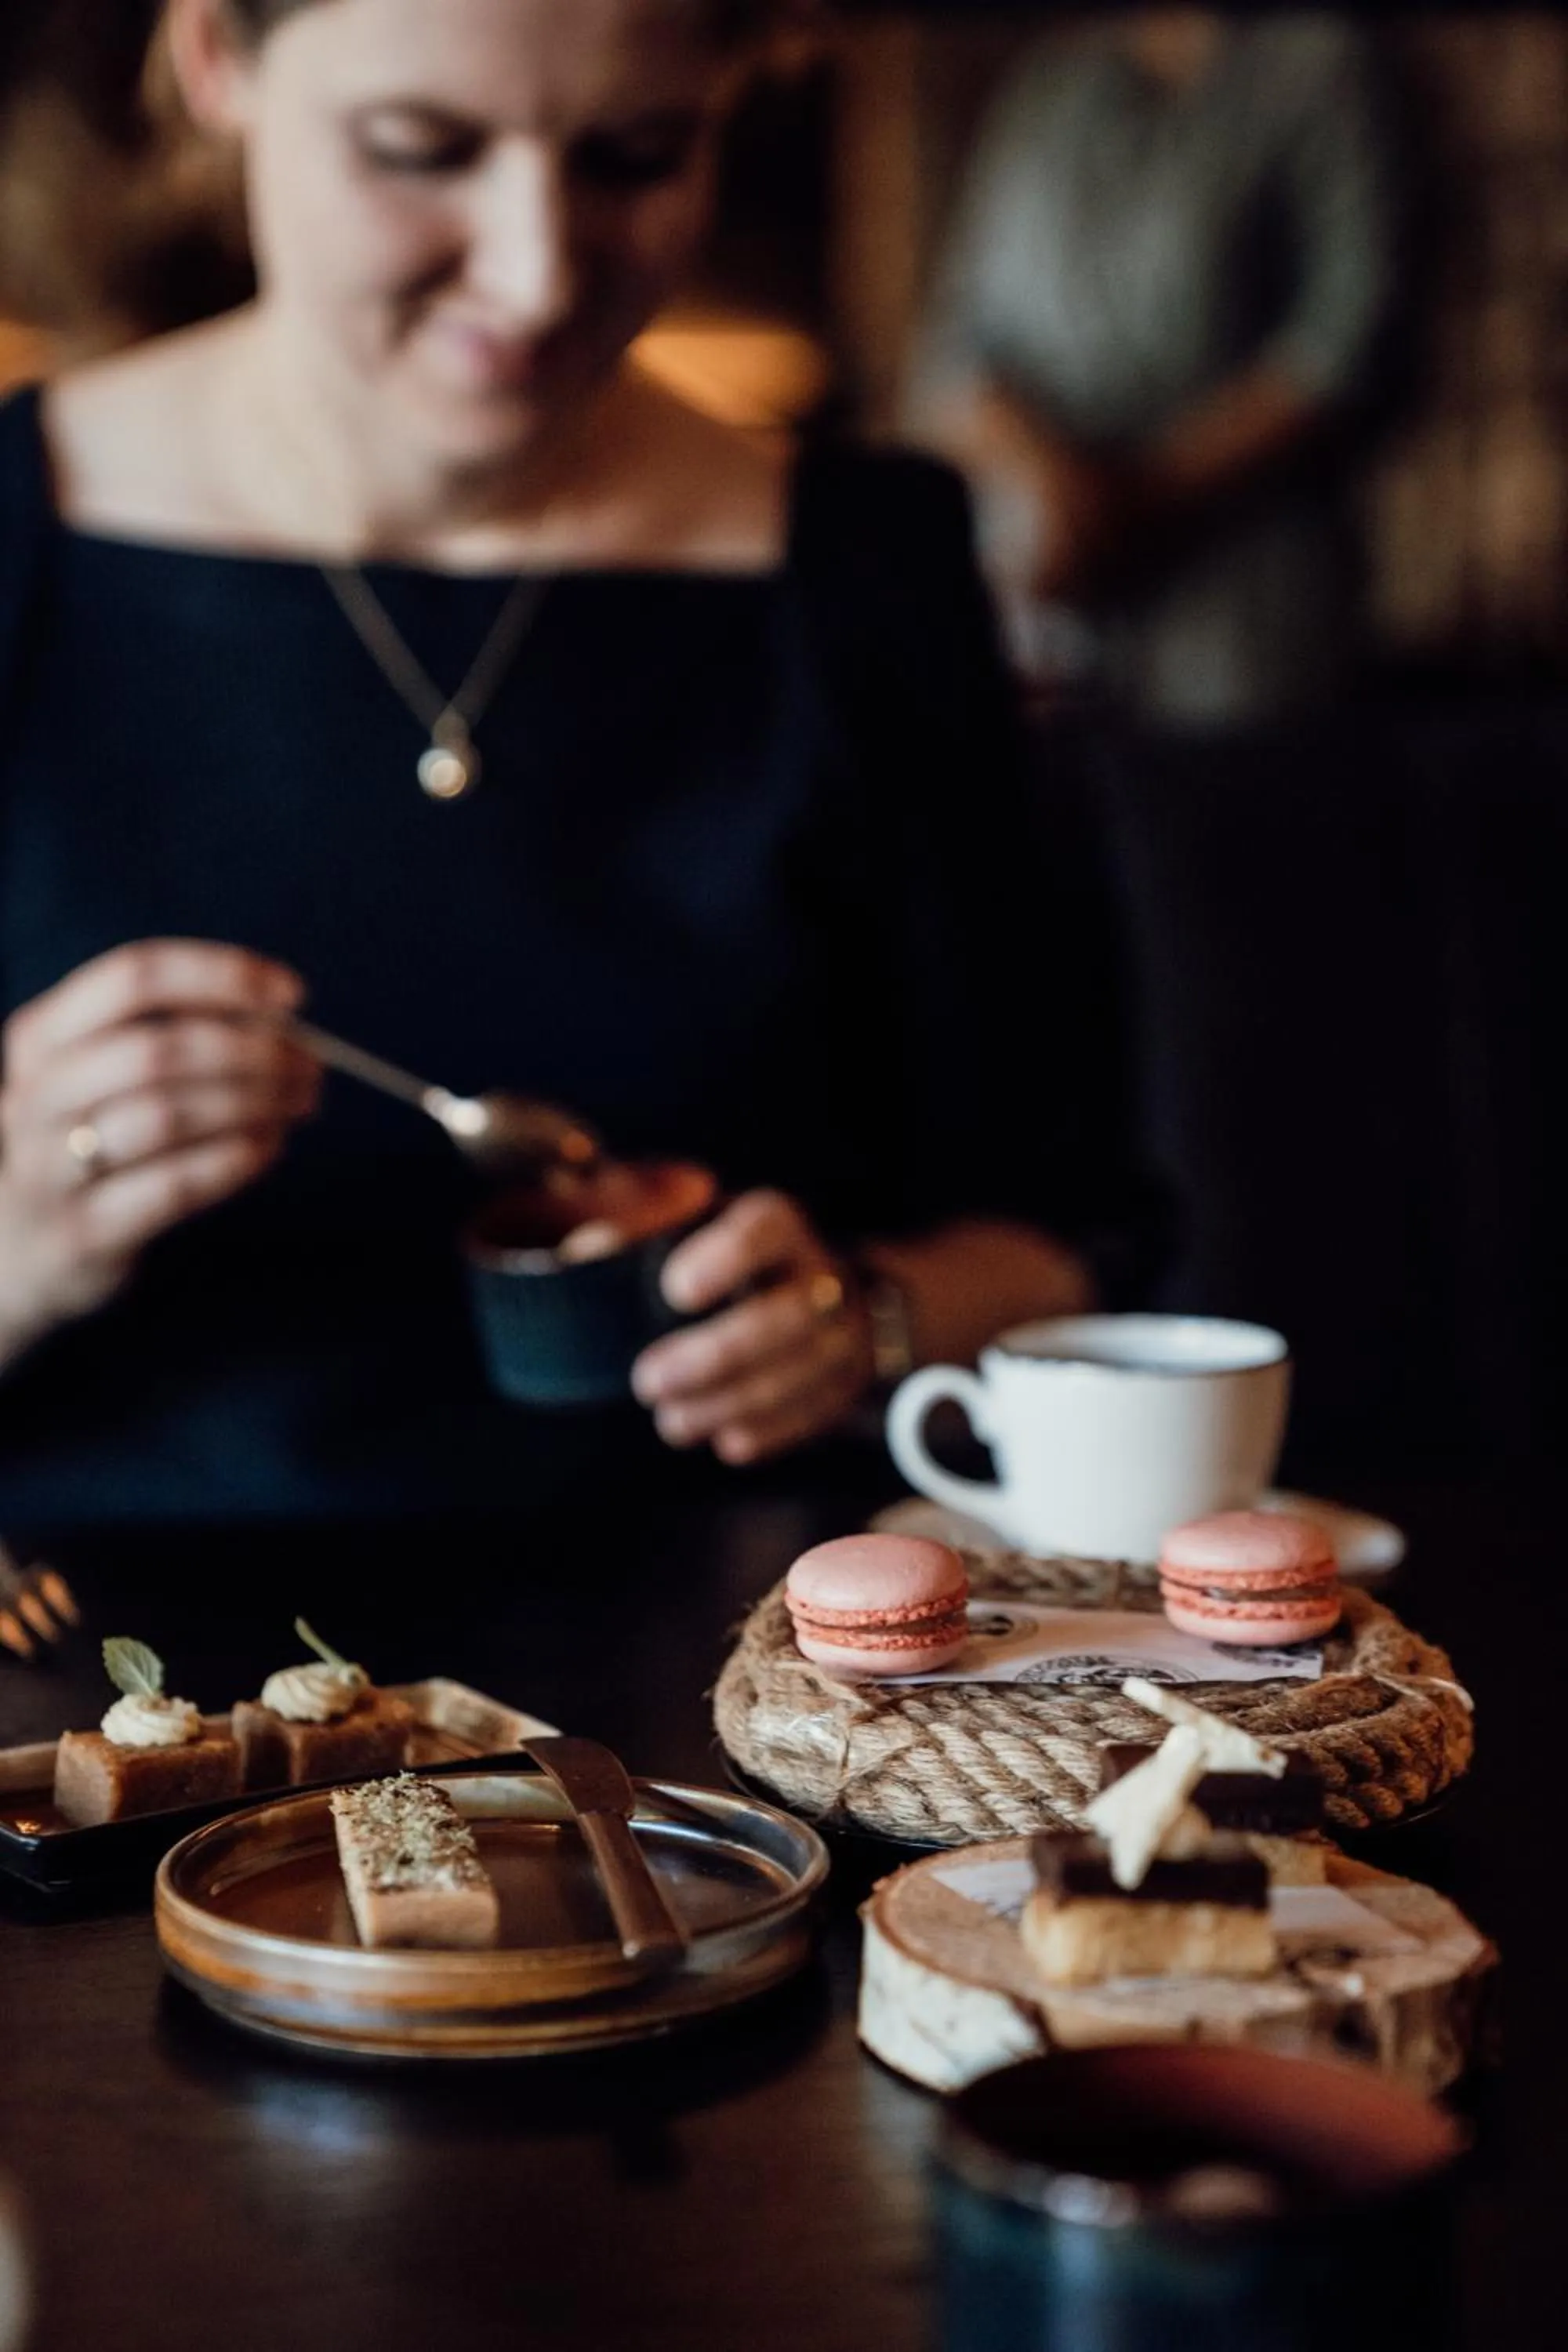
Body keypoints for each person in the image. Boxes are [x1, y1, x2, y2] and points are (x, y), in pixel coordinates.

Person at [0, 0, 1149, 1524]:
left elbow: (1075, 1233)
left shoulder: (866, 573)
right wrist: (17, 1231)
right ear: (217, 58)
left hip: (730, 1695)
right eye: (422, 149)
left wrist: (858, 1322)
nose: (538, 274)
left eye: (635, 154)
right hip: (121, 1703)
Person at [906, 9, 1403, 732]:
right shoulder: (1050, 85)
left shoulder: (1323, 67)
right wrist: (1049, 487)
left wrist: (1132, 501)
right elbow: (951, 349)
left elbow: (1348, 342)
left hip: (1241, 624)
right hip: (1042, 600)